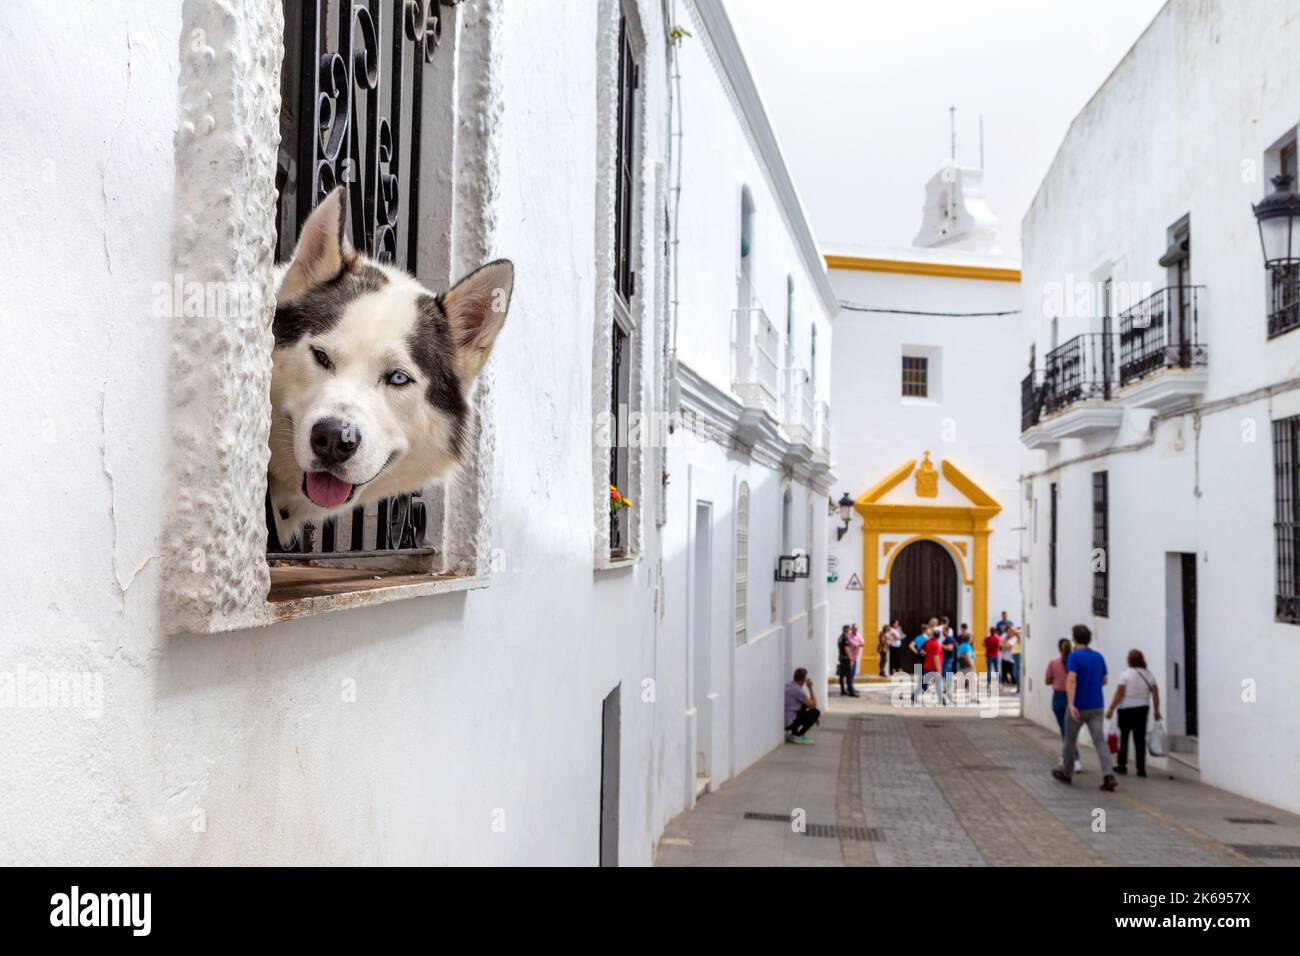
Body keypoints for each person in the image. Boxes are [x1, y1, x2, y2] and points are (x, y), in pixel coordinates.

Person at [1052, 625, 1117, 791]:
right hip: (1097, 705)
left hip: (1079, 706)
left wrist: (1072, 703)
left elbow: (1071, 680)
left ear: (1074, 639)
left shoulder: (1074, 657)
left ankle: (1067, 772)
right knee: (1100, 741)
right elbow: (1104, 680)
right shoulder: (1098, 657)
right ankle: (1108, 775)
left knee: (1070, 739)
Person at [1106, 649, 1161, 777]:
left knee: (1123, 738)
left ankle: (1122, 765)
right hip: (1142, 709)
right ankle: (1141, 769)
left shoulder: (1125, 674)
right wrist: (1157, 710)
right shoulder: (1149, 675)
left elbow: (1120, 694)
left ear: (1129, 660)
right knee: (1140, 739)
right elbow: (1155, 693)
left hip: (1125, 710)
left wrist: (1111, 709)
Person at [1045, 638, 1081, 773]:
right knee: (1071, 730)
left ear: (1059, 648)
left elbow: (1047, 680)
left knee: (1064, 730)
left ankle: (1072, 758)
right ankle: (1071, 757)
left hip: (1059, 698)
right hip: (1073, 698)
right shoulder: (1075, 663)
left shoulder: (1053, 663)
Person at [784, 668, 820, 744]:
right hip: (790, 723)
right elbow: (813, 705)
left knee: (804, 705)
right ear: (803, 679)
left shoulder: (789, 685)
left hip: (785, 720)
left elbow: (808, 705)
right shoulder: (798, 691)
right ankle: (798, 735)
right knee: (816, 712)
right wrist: (810, 688)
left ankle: (794, 733)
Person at [922, 626, 947, 705]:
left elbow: (923, 650)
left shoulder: (928, 642)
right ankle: (941, 699)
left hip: (927, 665)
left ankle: (914, 695)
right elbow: (936, 657)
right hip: (933, 667)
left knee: (924, 683)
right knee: (938, 684)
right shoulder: (936, 645)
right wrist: (939, 670)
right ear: (939, 636)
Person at [983, 627, 1001, 692]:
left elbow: (984, 645)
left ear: (990, 631)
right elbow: (1000, 646)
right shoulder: (998, 638)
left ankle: (988, 684)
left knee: (989, 670)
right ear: (995, 631)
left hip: (989, 655)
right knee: (997, 670)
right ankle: (999, 683)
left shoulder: (987, 638)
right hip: (996, 655)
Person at [847, 624, 863, 696]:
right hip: (850, 657)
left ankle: (851, 687)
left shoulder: (858, 635)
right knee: (850, 673)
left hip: (855, 657)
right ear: (851, 629)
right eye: (853, 628)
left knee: (852, 674)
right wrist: (858, 644)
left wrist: (858, 644)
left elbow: (863, 643)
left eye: (856, 628)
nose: (855, 630)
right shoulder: (849, 636)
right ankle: (850, 688)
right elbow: (853, 643)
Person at [836, 626, 852, 696]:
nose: (849, 632)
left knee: (841, 675)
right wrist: (851, 659)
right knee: (848, 675)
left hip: (841, 658)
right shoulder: (845, 638)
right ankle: (850, 691)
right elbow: (847, 649)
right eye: (849, 630)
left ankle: (842, 690)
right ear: (847, 630)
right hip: (845, 658)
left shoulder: (840, 637)